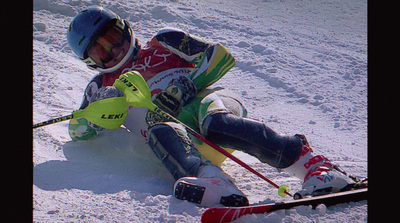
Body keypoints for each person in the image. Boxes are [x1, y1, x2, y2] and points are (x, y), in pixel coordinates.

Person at [66, 6, 355, 207]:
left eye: (114, 37)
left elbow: (220, 56)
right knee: (161, 130)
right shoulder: (101, 86)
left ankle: (316, 167)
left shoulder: (164, 41)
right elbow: (76, 129)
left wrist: (185, 87)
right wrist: (95, 115)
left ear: (125, 27)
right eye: (101, 49)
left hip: (206, 103)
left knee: (216, 122)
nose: (114, 49)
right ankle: (211, 182)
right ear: (91, 61)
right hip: (182, 140)